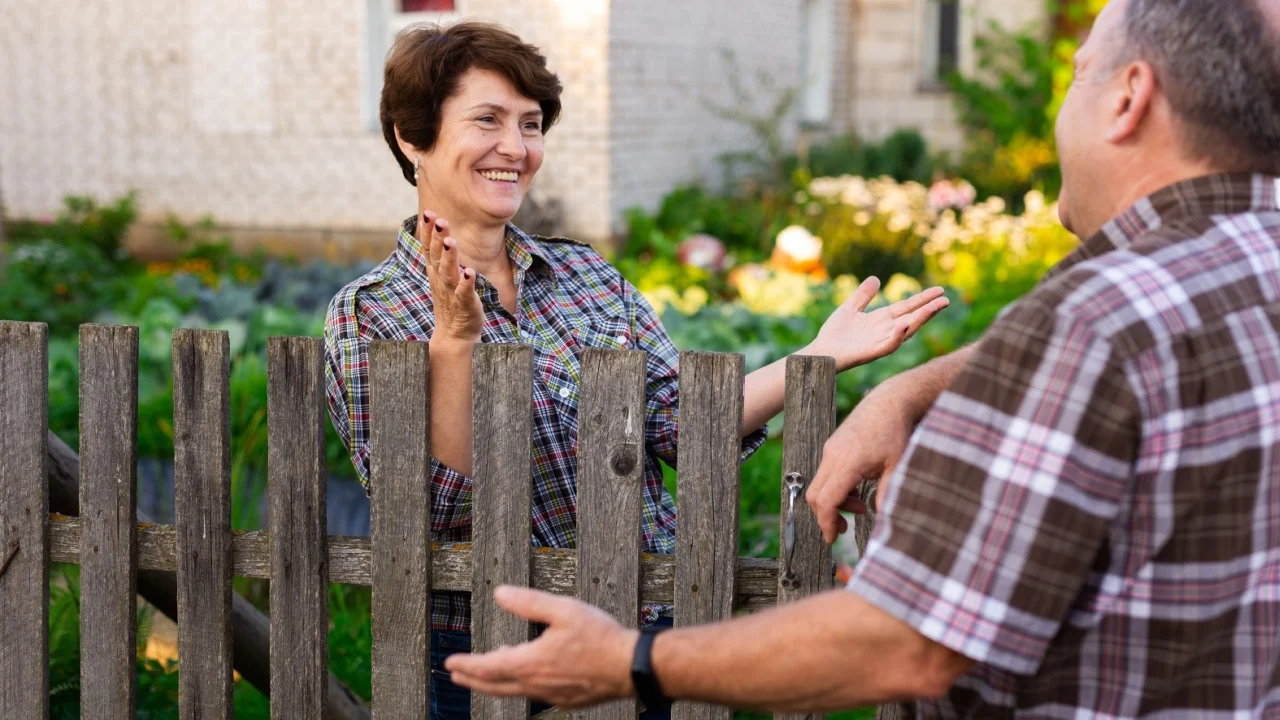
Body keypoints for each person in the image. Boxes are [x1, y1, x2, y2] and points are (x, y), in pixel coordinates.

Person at [444, 0, 1280, 716]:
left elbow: (905, 643)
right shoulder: (1224, 274)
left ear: (1128, 99)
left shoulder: (1094, 321)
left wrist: (631, 665)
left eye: (1078, 75)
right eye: (488, 119)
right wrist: (910, 390)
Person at [322, 20, 950, 720]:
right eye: (488, 120)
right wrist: (457, 339)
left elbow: (679, 421)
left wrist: (817, 357)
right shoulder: (370, 313)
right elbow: (432, 512)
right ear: (413, 136)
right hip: (499, 648)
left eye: (531, 125)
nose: (516, 148)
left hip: (647, 624)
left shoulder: (585, 274)